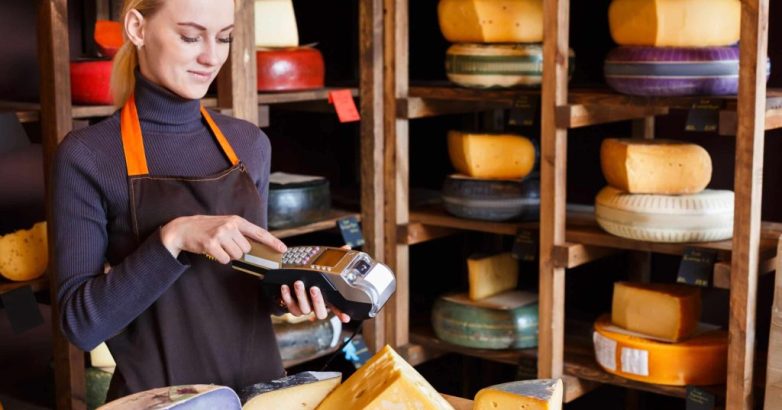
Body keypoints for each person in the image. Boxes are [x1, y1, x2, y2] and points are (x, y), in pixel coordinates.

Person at [52, 0, 349, 400]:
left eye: (224, 37)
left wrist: (291, 289)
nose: (211, 57)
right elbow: (80, 324)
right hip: (162, 403)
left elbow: (247, 281)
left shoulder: (249, 144)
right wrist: (173, 239)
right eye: (190, 36)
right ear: (138, 28)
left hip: (260, 396)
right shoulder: (88, 156)